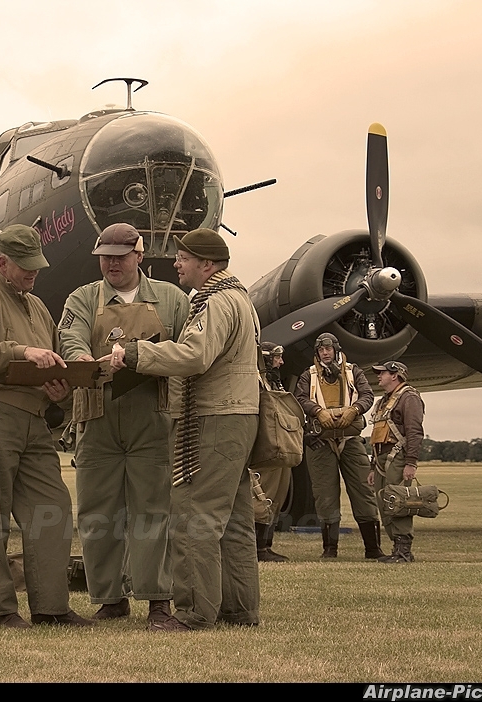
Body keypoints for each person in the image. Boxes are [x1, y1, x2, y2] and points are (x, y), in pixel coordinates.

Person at [108, 228, 260, 632]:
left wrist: (135, 353)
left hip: (212, 419)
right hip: (235, 417)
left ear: (206, 265)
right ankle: (238, 609)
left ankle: (194, 613)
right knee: (235, 523)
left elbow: (195, 354)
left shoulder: (216, 302)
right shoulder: (238, 298)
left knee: (195, 516)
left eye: (183, 257)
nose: (176, 263)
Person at [0, 224, 91, 629]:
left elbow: (49, 367)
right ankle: (3, 611)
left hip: (32, 420)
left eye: (36, 265)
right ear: (2, 263)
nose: (33, 273)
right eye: (25, 266)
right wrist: (25, 352)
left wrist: (60, 386)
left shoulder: (38, 307)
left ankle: (50, 607)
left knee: (54, 509)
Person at [57, 223, 189, 625]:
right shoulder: (82, 298)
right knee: (97, 512)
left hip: (154, 416)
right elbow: (69, 337)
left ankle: (157, 600)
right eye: (105, 256)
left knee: (154, 509)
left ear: (140, 256)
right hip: (96, 419)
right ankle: (109, 599)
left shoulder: (172, 299)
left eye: (120, 255)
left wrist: (145, 356)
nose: (112, 263)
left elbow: (189, 350)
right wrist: (81, 357)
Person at [295, 333, 385, 559]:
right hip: (320, 441)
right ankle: (330, 549)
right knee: (325, 495)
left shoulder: (354, 372)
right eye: (321, 350)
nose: (325, 353)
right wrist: (318, 412)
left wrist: (353, 411)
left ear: (336, 349)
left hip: (351, 440)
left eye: (328, 348)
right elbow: (300, 398)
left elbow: (367, 395)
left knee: (363, 491)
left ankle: (372, 549)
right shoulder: (309, 375)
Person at [368, 360, 425, 563]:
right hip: (382, 458)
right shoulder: (384, 400)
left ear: (395, 375)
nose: (379, 376)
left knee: (399, 503)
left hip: (398, 457)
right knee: (384, 504)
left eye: (382, 373)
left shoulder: (409, 398)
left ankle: (404, 551)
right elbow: (377, 434)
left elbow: (414, 431)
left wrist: (411, 462)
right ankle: (396, 549)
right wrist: (373, 466)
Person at [254, 341, 292, 562]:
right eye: (277, 357)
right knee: (262, 496)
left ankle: (266, 544)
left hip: (280, 445)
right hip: (265, 446)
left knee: (278, 495)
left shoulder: (274, 382)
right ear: (267, 358)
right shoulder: (255, 381)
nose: (281, 362)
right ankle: (257, 547)